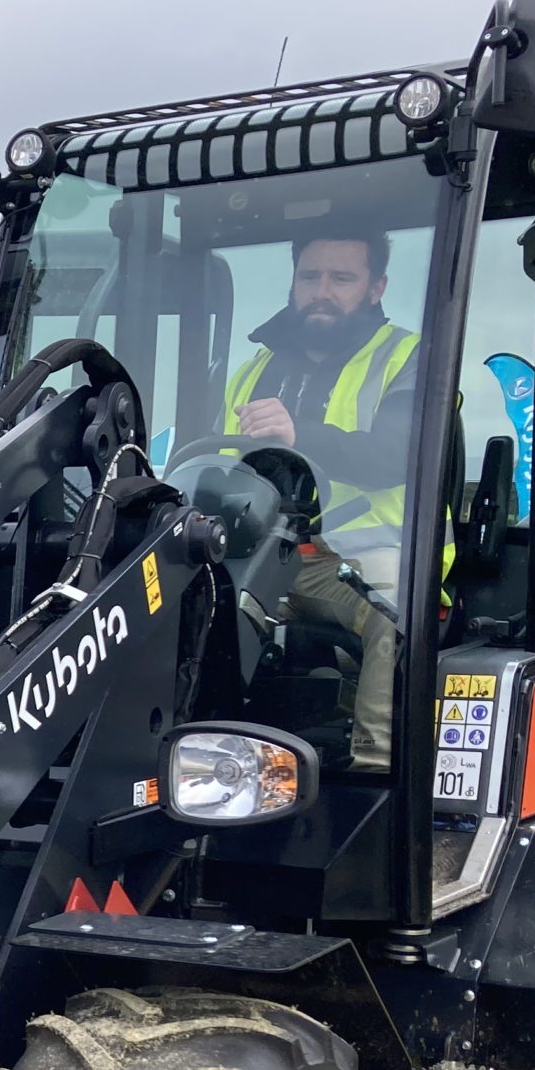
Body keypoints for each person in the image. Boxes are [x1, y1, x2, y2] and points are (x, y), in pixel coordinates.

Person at [223, 231, 421, 771]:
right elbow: (227, 467)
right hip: (272, 553)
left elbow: (395, 455)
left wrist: (299, 434)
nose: (322, 291)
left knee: (397, 609)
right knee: (189, 598)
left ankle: (376, 771)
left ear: (376, 287)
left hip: (371, 552)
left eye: (342, 278)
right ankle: (212, 754)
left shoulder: (410, 357)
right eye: (310, 277)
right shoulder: (253, 370)